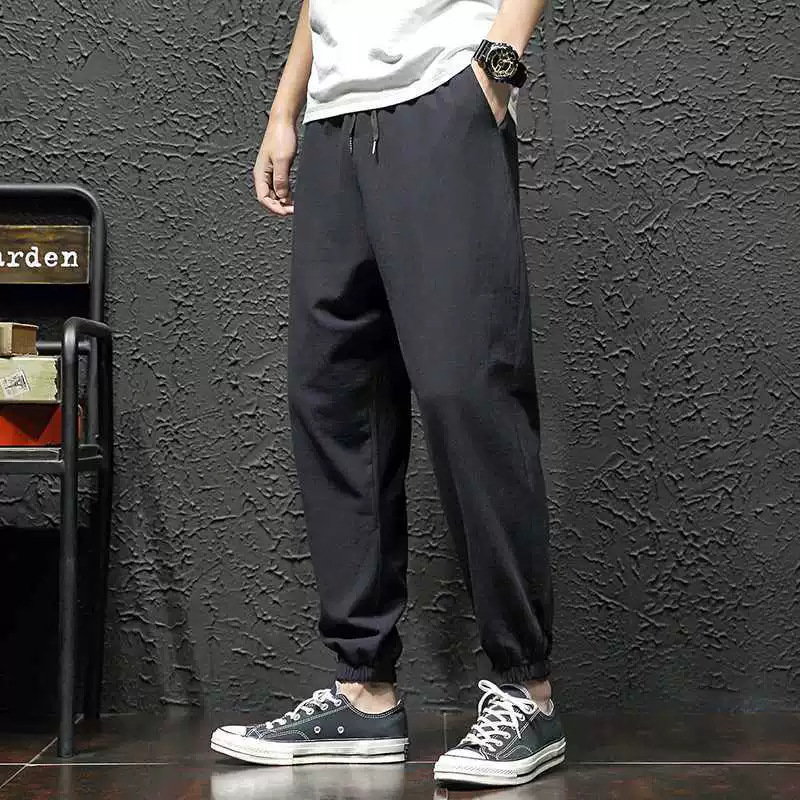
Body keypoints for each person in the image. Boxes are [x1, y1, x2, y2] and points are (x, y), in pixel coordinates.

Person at [211, 0, 566, 787]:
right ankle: (363, 693)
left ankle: (527, 691)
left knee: (465, 389)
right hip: (333, 121)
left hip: (442, 96)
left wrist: (497, 68)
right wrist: (285, 108)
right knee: (335, 398)